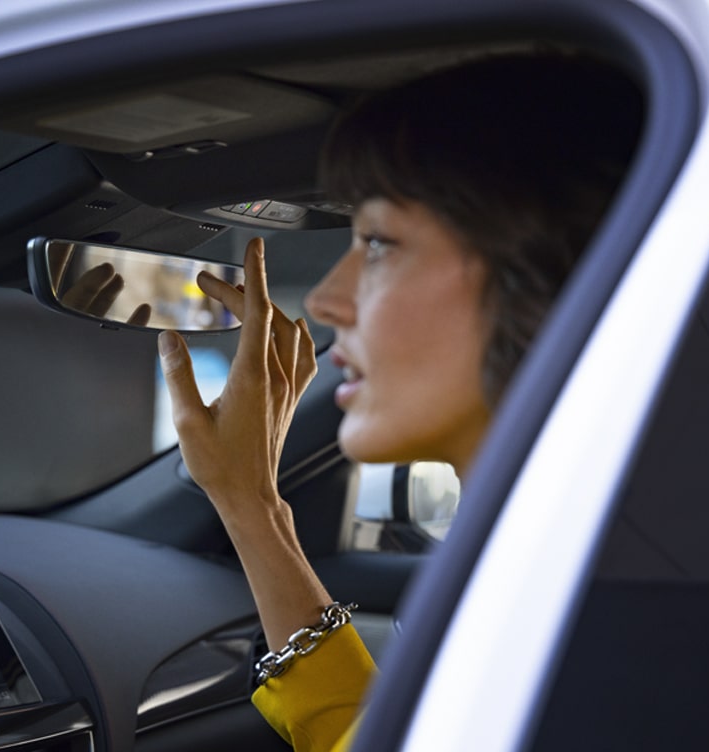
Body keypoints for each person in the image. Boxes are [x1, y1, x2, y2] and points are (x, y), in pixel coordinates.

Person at [156, 52, 643, 752]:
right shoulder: (563, 568)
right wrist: (249, 503)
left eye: (379, 243)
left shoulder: (585, 620)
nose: (325, 301)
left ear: (549, 277)